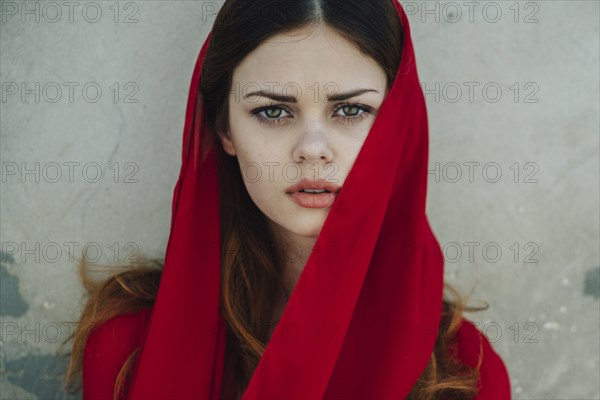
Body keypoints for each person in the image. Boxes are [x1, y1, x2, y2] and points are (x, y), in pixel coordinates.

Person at [63, 1, 512, 399]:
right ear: (224, 129)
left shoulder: (464, 374)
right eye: (273, 110)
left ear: (399, 127)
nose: (312, 148)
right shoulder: (128, 347)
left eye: (351, 110)